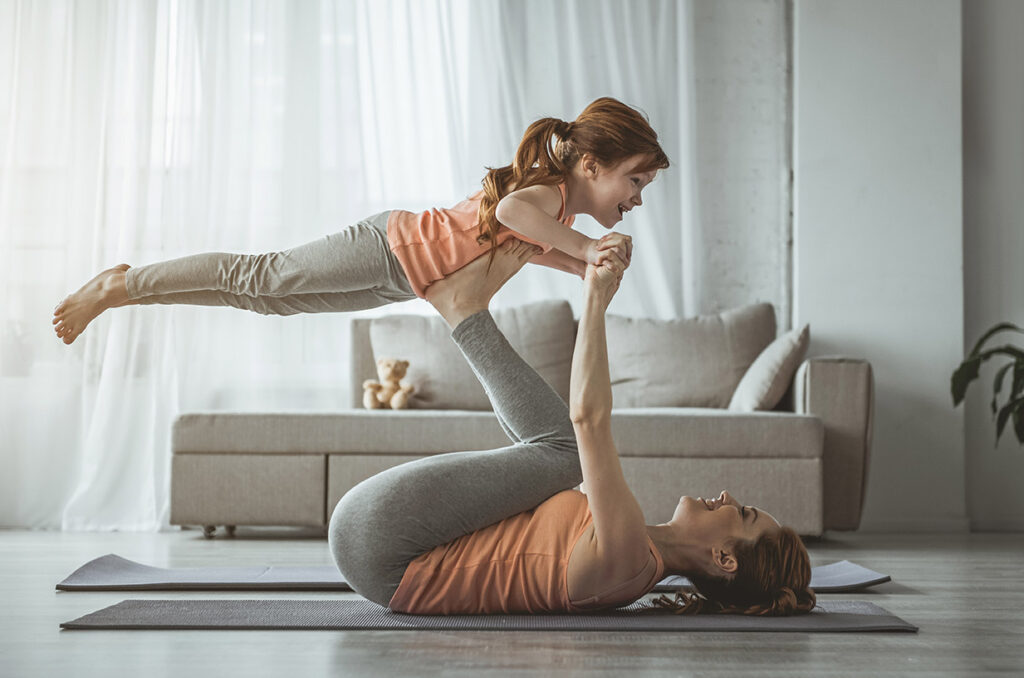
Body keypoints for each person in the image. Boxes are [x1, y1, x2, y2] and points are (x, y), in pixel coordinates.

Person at [328, 238, 817, 616]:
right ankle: (465, 310)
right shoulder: (634, 553)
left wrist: (596, 299)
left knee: (565, 455)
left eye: (745, 513)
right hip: (380, 545)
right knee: (559, 456)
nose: (729, 496)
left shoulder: (628, 560)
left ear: (724, 559)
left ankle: (464, 310)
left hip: (383, 545)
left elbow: (588, 420)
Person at [51, 97, 669, 344]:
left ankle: (131, 292)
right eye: (635, 179)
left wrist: (578, 270)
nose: (638, 196)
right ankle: (119, 286)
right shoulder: (545, 192)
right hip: (390, 246)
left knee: (267, 302)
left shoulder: (555, 210)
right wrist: (589, 251)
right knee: (260, 276)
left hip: (404, 280)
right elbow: (509, 212)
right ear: (591, 164)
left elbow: (528, 244)